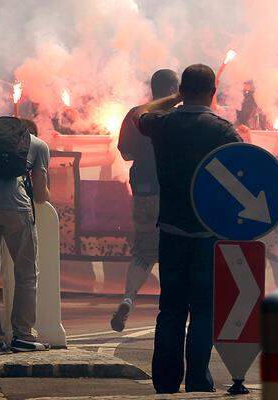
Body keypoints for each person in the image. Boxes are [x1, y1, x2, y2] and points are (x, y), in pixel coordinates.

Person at [131, 64, 242, 393]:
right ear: (213, 92)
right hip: (208, 232)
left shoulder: (163, 124)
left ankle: (165, 380)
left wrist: (172, 99)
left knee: (171, 308)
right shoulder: (222, 130)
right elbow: (244, 168)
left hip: (171, 228)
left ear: (182, 90)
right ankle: (197, 378)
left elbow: (138, 113)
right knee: (204, 308)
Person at [0, 111, 51, 353]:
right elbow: (40, 193)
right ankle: (22, 335)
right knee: (26, 273)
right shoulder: (38, 145)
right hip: (15, 208)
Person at [110, 69, 179, 332]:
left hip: (144, 191)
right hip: (175, 193)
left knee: (144, 251)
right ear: (175, 88)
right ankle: (173, 310)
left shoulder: (136, 114)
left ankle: (128, 297)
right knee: (176, 249)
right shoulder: (179, 116)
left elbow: (126, 153)